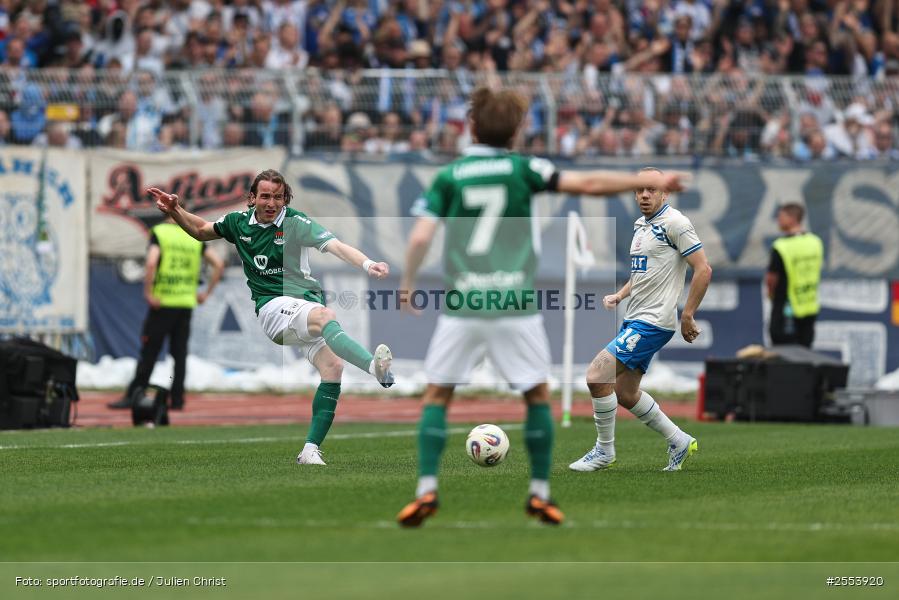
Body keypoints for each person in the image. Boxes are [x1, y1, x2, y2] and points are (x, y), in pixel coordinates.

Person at [396, 87, 690, 528]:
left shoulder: (451, 174)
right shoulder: (525, 168)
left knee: (438, 394)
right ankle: (539, 493)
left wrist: (408, 283)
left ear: (471, 127)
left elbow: (420, 238)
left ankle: (425, 490)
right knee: (536, 396)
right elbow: (588, 184)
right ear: (516, 131)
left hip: (463, 304)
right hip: (515, 302)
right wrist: (643, 181)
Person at [147, 169, 395, 465]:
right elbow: (201, 230)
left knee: (333, 368)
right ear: (252, 198)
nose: (271, 203)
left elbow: (336, 246)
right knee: (324, 315)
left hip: (302, 306)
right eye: (265, 196)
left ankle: (310, 450)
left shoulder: (295, 222)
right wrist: (176, 210)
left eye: (278, 197)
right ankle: (373, 367)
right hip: (273, 309)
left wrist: (368, 265)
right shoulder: (237, 223)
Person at [569, 167, 712, 474]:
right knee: (625, 392)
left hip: (653, 321)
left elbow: (703, 269)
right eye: (640, 190)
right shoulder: (641, 225)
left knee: (597, 375)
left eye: (652, 189)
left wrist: (688, 313)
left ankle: (604, 452)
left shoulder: (676, 223)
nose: (645, 195)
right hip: (635, 316)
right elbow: (643, 273)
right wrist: (620, 295)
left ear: (665, 193)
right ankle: (679, 440)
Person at [108, 216, 225, 411]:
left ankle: (135, 394)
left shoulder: (161, 233)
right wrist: (206, 293)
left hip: (163, 302)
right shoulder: (194, 235)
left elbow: (152, 263)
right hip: (186, 303)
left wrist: (148, 292)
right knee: (179, 354)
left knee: (150, 351)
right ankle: (177, 399)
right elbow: (219, 264)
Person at [766, 203, 823, 348]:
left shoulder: (781, 246)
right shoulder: (815, 242)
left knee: (783, 353)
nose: (778, 220)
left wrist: (771, 295)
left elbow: (771, 279)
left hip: (787, 306)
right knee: (805, 352)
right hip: (809, 305)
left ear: (792, 218)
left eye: (781, 216)